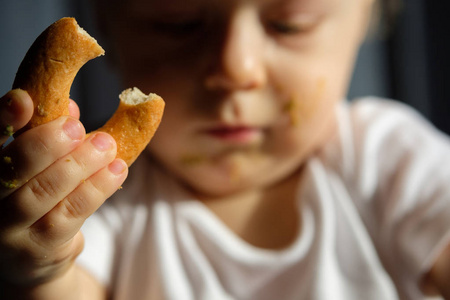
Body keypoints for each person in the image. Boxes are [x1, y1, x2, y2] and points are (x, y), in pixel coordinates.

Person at [0, 0, 449, 299]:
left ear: (368, 20)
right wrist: (41, 263)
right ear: (110, 29)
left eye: (288, 24)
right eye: (179, 23)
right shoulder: (94, 197)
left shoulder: (389, 159)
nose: (235, 66)